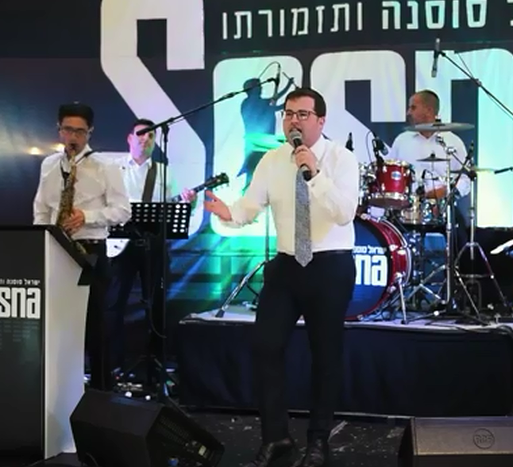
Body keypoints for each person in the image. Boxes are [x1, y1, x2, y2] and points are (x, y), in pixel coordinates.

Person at [205, 88, 358, 467]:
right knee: (265, 348)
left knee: (325, 356)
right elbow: (249, 206)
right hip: (287, 265)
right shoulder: (272, 160)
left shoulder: (341, 159)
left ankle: (318, 441)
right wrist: (229, 212)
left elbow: (344, 213)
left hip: (330, 266)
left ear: (320, 121)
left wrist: (314, 173)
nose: (293, 121)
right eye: (289, 114)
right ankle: (276, 437)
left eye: (303, 114)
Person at [33, 102, 131, 391]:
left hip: (90, 251)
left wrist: (88, 216)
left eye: (79, 131)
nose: (73, 137)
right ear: (59, 131)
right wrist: (42, 240)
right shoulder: (49, 165)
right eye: (68, 130)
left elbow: (122, 211)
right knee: (58, 323)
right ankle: (60, 388)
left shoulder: (105, 167)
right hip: (56, 250)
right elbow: (41, 209)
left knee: (95, 324)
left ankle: (101, 391)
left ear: (90, 132)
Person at [106, 118, 196, 382]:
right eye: (140, 135)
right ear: (129, 138)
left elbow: (174, 208)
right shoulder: (113, 170)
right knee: (113, 304)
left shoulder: (164, 172)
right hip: (119, 244)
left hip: (152, 244)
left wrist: (188, 202)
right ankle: (112, 364)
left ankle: (155, 366)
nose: (145, 140)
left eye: (150, 136)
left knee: (156, 305)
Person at [387, 90, 472, 249]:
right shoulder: (402, 141)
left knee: (459, 236)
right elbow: (390, 174)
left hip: (441, 208)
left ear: (429, 110)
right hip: (407, 209)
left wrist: (445, 192)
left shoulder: (452, 142)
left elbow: (465, 180)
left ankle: (453, 263)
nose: (408, 113)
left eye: (413, 107)